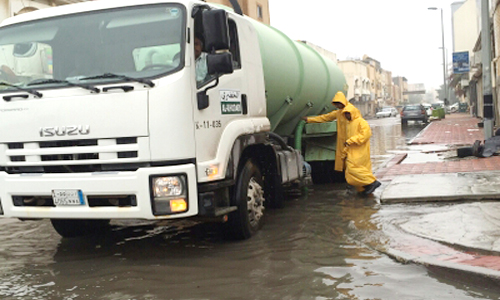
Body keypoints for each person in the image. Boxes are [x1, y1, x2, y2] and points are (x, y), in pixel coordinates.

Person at [301, 91, 359, 175]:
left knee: (354, 162)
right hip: (344, 141)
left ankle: (364, 183)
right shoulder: (338, 113)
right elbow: (325, 118)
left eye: (339, 103)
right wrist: (309, 119)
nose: (338, 106)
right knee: (347, 163)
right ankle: (354, 181)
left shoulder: (352, 110)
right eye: (336, 104)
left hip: (352, 141)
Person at [340, 105, 381, 195]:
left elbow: (366, 134)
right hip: (352, 151)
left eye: (348, 113)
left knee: (353, 169)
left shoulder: (361, 122)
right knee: (352, 173)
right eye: (345, 114)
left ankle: (372, 182)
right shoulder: (349, 124)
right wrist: (344, 152)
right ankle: (363, 189)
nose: (347, 116)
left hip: (360, 152)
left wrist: (351, 141)